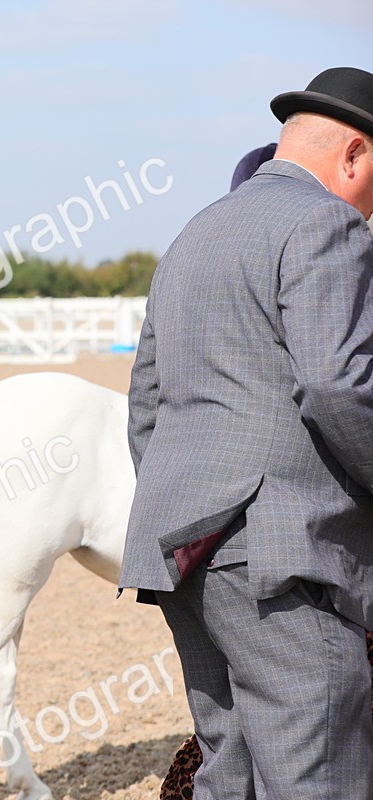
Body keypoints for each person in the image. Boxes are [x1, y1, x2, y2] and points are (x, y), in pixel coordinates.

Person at [121, 66, 373, 798]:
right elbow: (338, 384)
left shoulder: (196, 231)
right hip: (279, 557)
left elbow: (145, 405)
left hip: (182, 554)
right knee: (319, 776)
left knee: (227, 773)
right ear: (353, 154)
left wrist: (196, 501)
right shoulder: (324, 223)